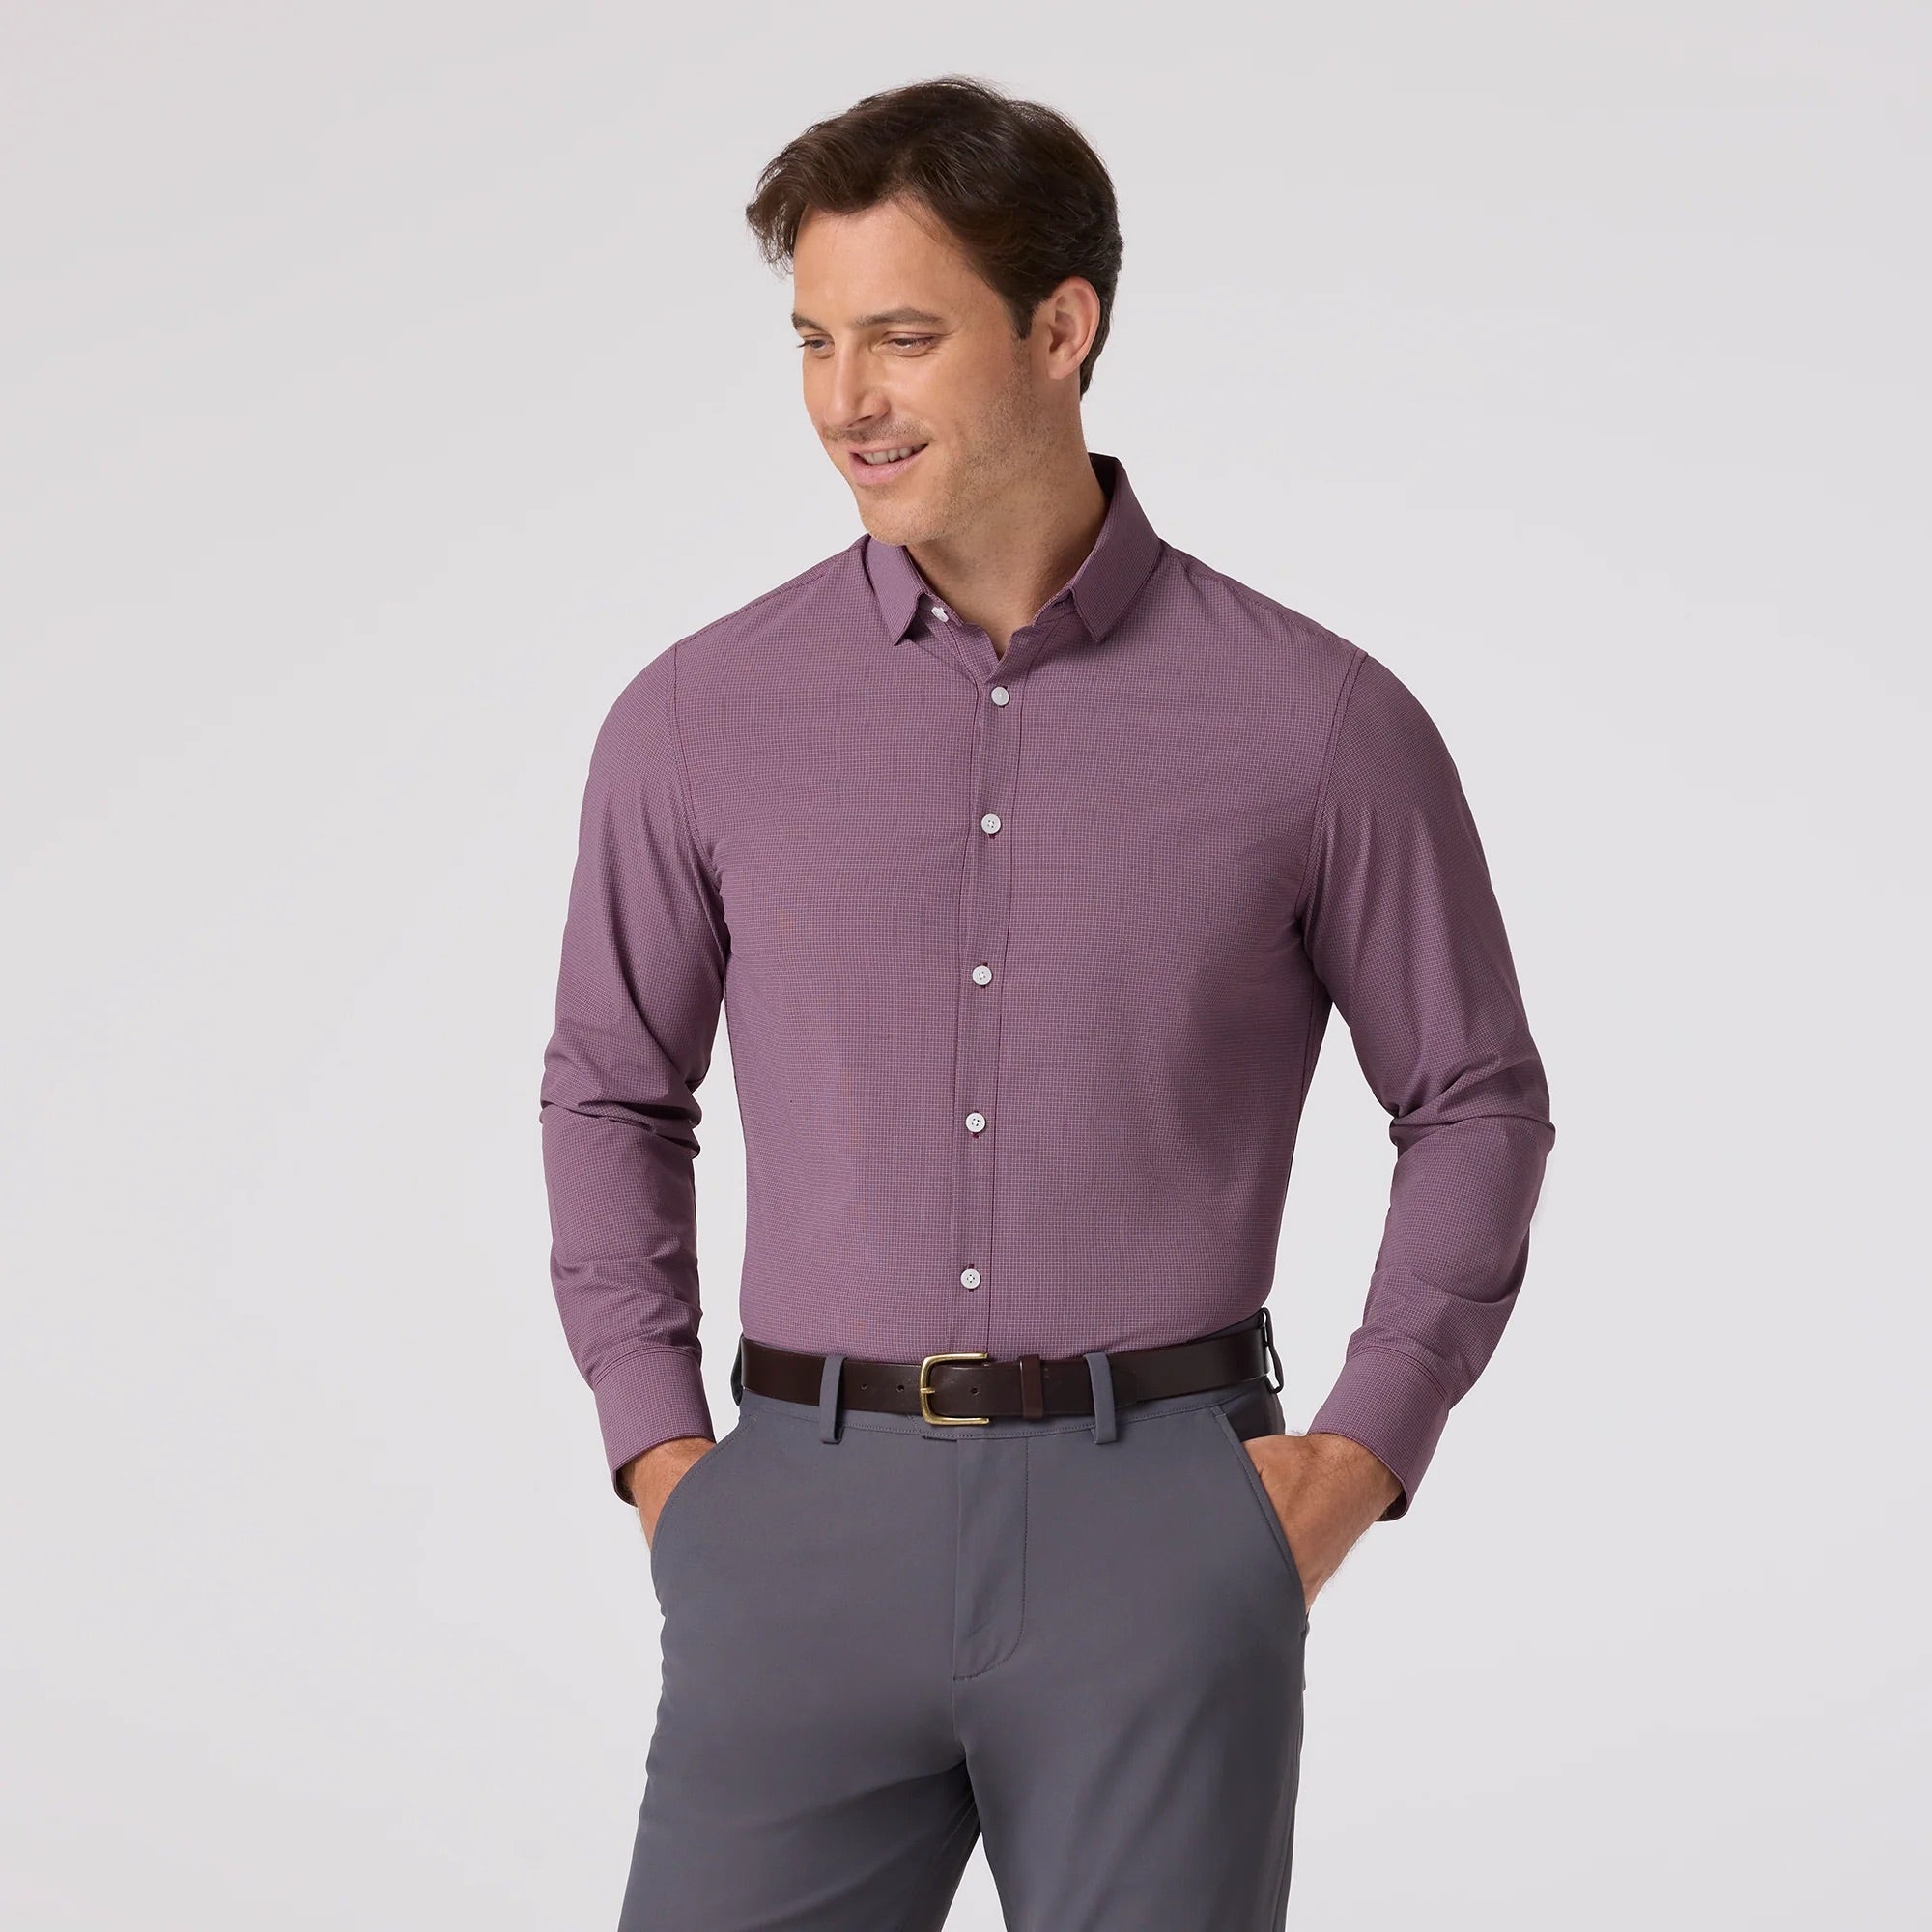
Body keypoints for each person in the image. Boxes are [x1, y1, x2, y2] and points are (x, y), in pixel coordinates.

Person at [538, 73, 1554, 1932]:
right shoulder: (697, 716)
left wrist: (1352, 1462)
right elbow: (611, 1091)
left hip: (1162, 1529)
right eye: (816, 341)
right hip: (794, 1533)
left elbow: (1474, 1098)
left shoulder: (1317, 721)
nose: (847, 400)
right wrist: (663, 1455)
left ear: (1062, 328)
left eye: (904, 337)